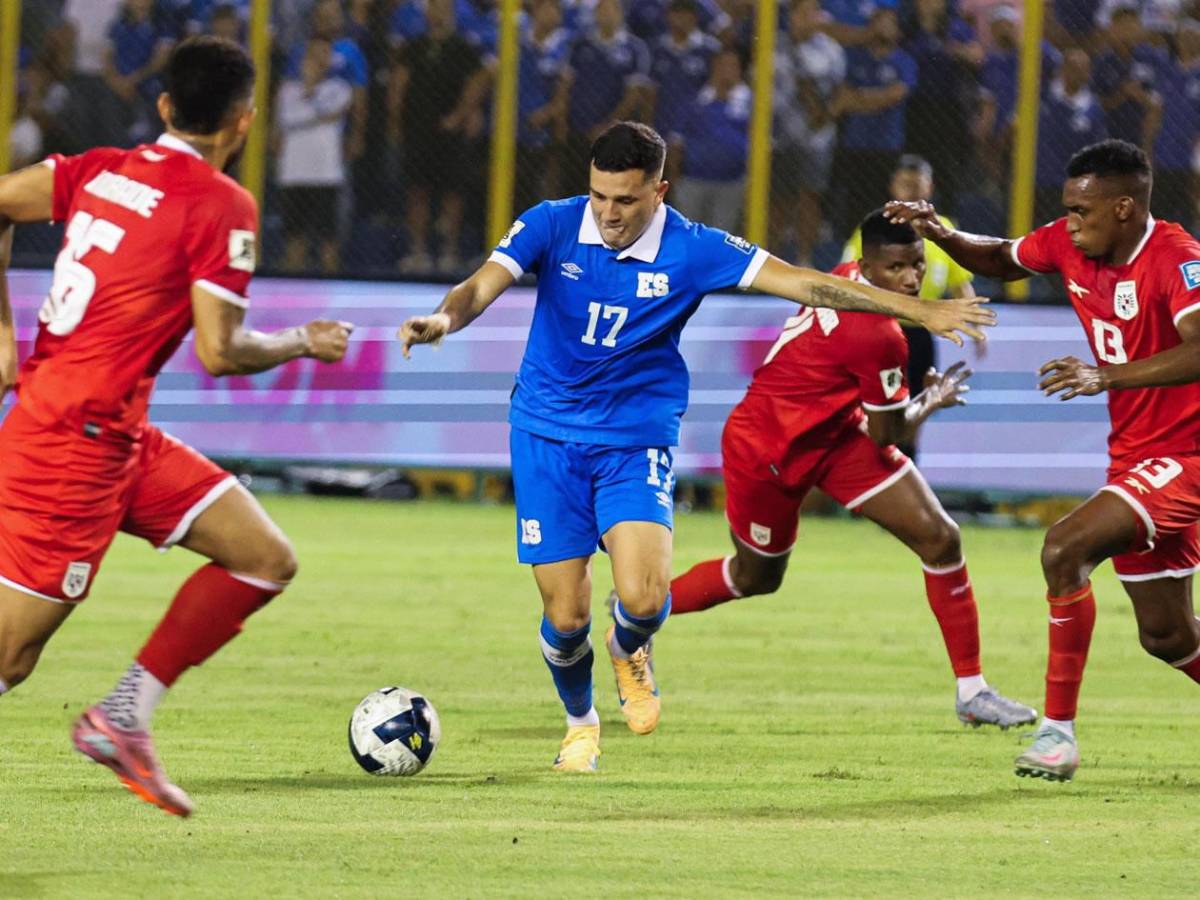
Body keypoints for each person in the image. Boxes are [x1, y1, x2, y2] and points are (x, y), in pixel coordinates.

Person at [398, 121, 996, 773]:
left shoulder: (692, 247)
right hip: (546, 432)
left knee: (646, 600)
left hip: (635, 435)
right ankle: (581, 723)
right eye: (599, 196)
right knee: (565, 615)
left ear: (660, 190)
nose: (608, 213)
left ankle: (630, 649)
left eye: (625, 200)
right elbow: (483, 282)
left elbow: (804, 282)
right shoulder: (552, 222)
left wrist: (923, 313)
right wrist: (444, 320)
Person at [0, 36, 353, 816]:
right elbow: (220, 351)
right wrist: (302, 339)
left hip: (113, 434)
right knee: (11, 657)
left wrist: (4, 338)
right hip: (70, 449)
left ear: (163, 107)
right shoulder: (222, 205)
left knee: (262, 557)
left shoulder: (98, 169)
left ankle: (122, 716)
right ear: (246, 122)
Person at [887, 139, 1200, 782]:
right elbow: (1001, 258)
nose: (1069, 221)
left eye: (1081, 210)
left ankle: (1058, 736)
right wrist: (941, 232)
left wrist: (1107, 376)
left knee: (1063, 548)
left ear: (1124, 207)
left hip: (1188, 456)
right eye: (1067, 209)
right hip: (1137, 458)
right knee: (1167, 635)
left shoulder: (1177, 258)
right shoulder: (1069, 240)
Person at [667, 210, 1036, 729]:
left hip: (839, 434)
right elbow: (891, 433)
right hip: (769, 447)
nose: (910, 279)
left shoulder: (844, 282)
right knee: (756, 577)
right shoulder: (880, 335)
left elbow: (874, 422)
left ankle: (972, 690)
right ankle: (639, 611)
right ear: (866, 266)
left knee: (941, 538)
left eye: (917, 265)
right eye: (897, 268)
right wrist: (931, 399)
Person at [842, 155, 975, 460]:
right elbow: (846, 279)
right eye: (905, 185)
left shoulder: (943, 230)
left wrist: (975, 323)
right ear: (893, 186)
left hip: (918, 335)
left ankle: (905, 463)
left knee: (914, 401)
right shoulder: (874, 229)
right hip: (879, 329)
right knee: (874, 405)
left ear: (930, 188)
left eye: (917, 185)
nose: (911, 192)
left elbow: (960, 282)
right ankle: (867, 468)